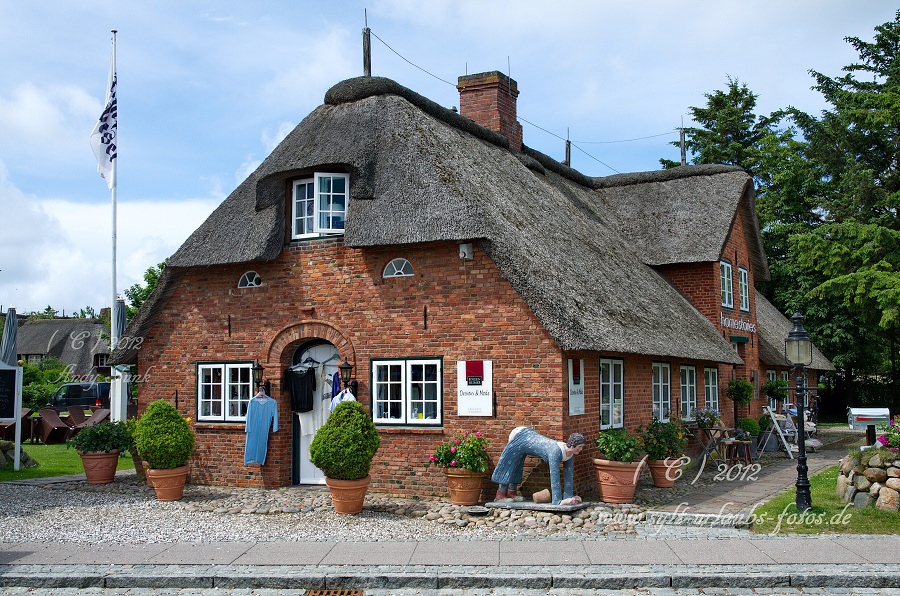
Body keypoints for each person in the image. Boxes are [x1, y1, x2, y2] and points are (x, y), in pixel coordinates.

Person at [491, 427, 586, 505]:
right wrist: (557, 501)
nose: (581, 449)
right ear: (573, 446)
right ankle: (500, 495)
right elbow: (554, 477)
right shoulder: (555, 451)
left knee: (518, 467)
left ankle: (512, 493)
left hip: (527, 436)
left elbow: (569, 476)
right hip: (520, 436)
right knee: (510, 464)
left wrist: (569, 497)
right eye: (580, 447)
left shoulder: (570, 454)